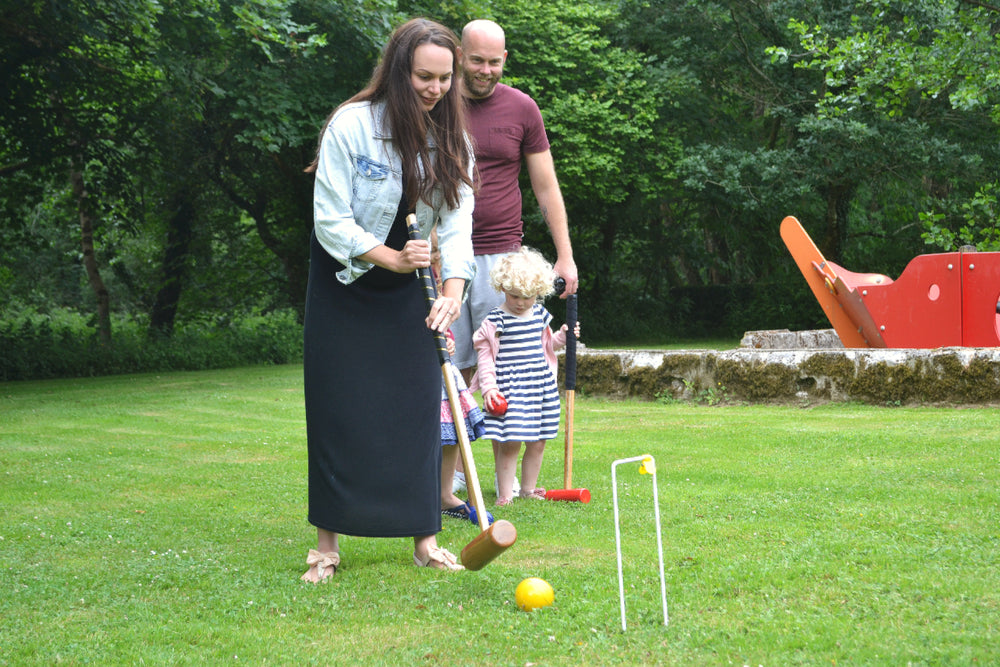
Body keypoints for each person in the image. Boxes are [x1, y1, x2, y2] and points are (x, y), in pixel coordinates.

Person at [300, 18, 475, 581]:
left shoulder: (453, 137)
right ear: (399, 71)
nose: (435, 89)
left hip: (412, 282)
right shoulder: (351, 125)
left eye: (445, 78)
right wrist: (390, 257)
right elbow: (330, 219)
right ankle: (327, 545)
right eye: (425, 76)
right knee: (338, 408)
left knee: (416, 406)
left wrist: (452, 292)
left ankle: (425, 541)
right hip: (347, 277)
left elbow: (457, 225)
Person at [448, 19, 579, 495]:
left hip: (501, 260)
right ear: (459, 56)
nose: (485, 70)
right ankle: (452, 474)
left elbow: (545, 186)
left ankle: (498, 478)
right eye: (476, 60)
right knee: (455, 366)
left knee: (503, 362)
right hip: (445, 256)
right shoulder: (437, 102)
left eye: (494, 61)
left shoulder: (522, 108)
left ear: (505, 59)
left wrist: (564, 256)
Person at [471, 247, 581, 506]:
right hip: (511, 390)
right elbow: (485, 358)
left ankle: (528, 490)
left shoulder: (540, 315)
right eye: (514, 296)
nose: (520, 302)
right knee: (510, 443)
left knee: (538, 441)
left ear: (539, 292)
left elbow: (547, 345)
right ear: (502, 287)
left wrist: (563, 336)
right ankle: (505, 494)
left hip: (540, 388)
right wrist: (489, 388)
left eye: (528, 297)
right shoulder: (495, 320)